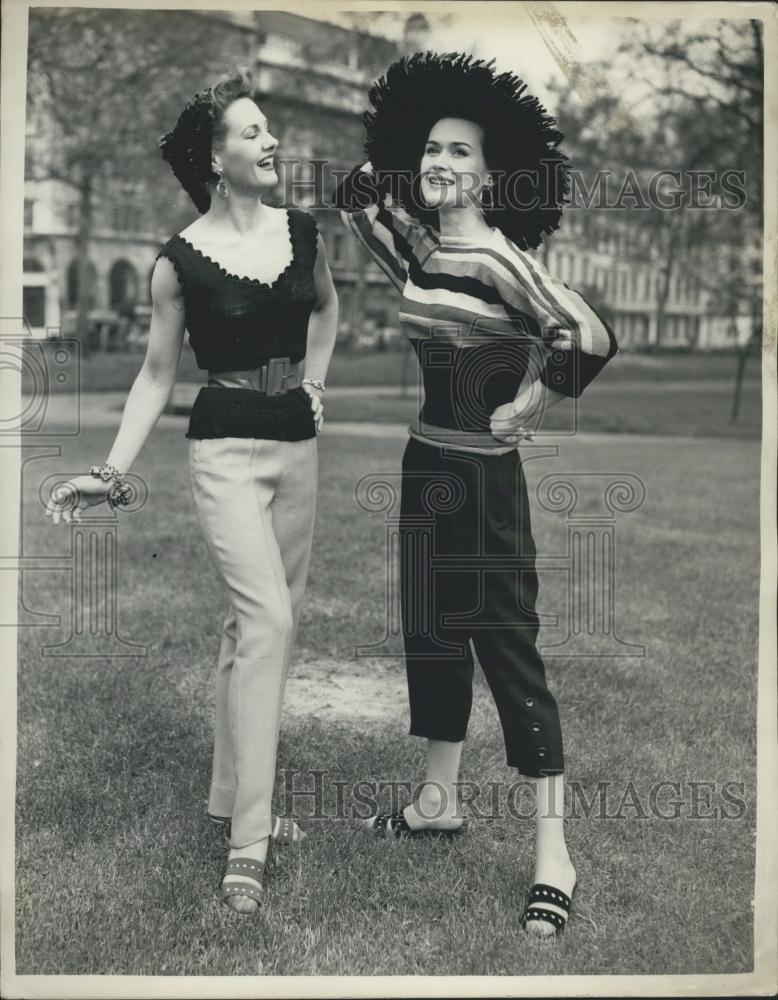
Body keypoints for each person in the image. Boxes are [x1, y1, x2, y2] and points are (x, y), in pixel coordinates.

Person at [334, 52, 618, 938]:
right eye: (431, 146)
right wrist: (394, 163)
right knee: (432, 637)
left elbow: (590, 334)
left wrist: (536, 396)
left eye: (462, 149)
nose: (441, 160)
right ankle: (437, 804)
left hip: (485, 480)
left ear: (496, 174)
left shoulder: (500, 259)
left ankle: (553, 856)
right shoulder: (425, 254)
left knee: (506, 649)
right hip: (424, 469)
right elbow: (357, 199)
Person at [45, 68, 339, 915]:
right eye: (252, 132)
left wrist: (317, 385)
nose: (271, 141)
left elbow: (325, 313)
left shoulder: (305, 234)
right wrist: (111, 472)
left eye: (268, 129)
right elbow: (153, 377)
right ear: (216, 158)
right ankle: (249, 838)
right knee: (269, 623)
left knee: (251, 631)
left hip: (298, 449)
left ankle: (226, 794)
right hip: (222, 451)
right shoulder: (177, 263)